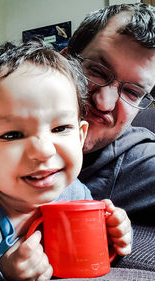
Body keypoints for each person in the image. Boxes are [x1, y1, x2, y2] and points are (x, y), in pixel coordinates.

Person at [0, 40, 131, 281]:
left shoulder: (74, 193)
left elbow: (93, 250)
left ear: (80, 137)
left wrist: (113, 235)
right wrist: (1, 274)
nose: (44, 151)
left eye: (60, 128)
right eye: (13, 135)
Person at [63, 2, 155, 225]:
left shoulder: (139, 163)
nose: (104, 103)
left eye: (133, 92)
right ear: (63, 61)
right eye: (96, 71)